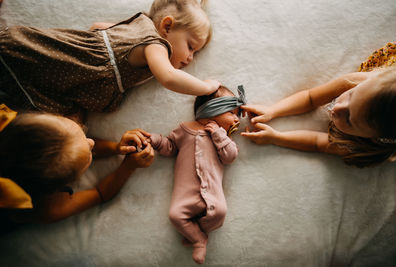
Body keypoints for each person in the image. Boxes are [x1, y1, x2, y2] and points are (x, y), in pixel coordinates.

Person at [0, 0, 219, 122]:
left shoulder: (139, 23)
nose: (190, 58)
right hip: (68, 62)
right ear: (167, 26)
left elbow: (98, 26)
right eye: (190, 46)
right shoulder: (156, 44)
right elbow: (169, 78)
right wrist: (205, 87)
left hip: (73, 59)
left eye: (195, 53)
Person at [241, 41, 396, 168]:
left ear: (376, 137)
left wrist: (277, 137)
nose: (337, 108)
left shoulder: (369, 148)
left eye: (349, 120)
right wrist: (273, 110)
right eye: (350, 96)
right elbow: (311, 97)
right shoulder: (358, 83)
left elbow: (318, 143)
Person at [0, 104, 154, 227]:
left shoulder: (12, 124)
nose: (92, 142)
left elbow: (73, 148)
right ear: (65, 183)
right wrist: (128, 166)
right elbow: (100, 193)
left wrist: (116, 148)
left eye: (81, 131)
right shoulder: (48, 208)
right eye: (89, 155)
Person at [149, 85, 245, 264]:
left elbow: (230, 157)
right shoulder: (185, 129)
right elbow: (170, 146)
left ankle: (196, 234)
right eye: (232, 112)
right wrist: (155, 141)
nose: (236, 119)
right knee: (175, 216)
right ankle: (200, 239)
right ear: (212, 109)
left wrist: (219, 135)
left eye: (237, 114)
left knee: (220, 214)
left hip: (213, 196)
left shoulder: (223, 137)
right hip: (186, 195)